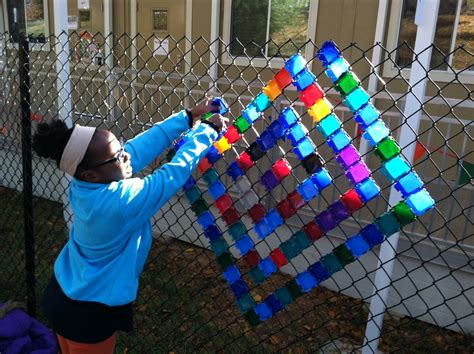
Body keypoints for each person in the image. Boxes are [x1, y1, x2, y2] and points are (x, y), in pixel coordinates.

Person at [32, 98, 229, 354]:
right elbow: (171, 175)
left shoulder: (85, 185)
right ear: (90, 173)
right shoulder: (119, 202)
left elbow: (135, 150)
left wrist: (189, 116)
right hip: (89, 310)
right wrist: (207, 131)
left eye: (121, 148)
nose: (126, 156)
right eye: (117, 157)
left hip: (64, 294)